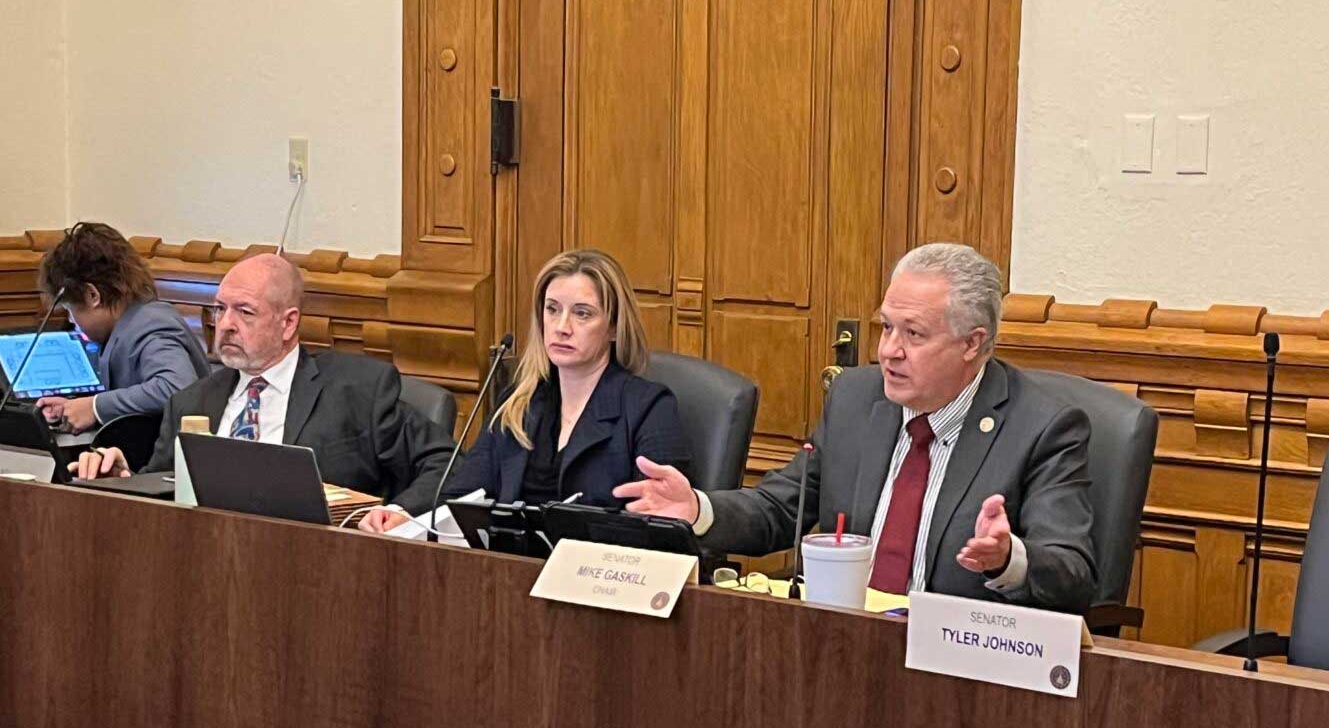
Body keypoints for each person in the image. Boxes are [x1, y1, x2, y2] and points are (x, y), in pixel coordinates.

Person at [618, 243, 1097, 613]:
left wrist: (1007, 558)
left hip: (957, 666)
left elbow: (1073, 571)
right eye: (886, 327)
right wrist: (697, 508)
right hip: (842, 643)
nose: (889, 350)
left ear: (972, 344)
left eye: (913, 334)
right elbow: (779, 509)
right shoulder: (855, 398)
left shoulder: (1043, 427)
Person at [73, 254, 456, 508]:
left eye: (245, 312)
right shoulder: (192, 401)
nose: (225, 325)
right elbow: (165, 486)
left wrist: (398, 515)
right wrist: (125, 479)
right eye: (221, 309)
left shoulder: (359, 390)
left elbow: (447, 464)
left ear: (288, 323)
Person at [358, 249, 691, 534]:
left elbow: (657, 526)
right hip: (510, 579)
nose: (562, 327)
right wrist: (405, 516)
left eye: (582, 313)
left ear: (614, 327)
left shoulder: (648, 407)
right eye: (552, 309)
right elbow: (460, 496)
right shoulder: (520, 402)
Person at [36, 222, 211, 432]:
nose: (72, 320)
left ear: (92, 295)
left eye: (70, 309)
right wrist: (75, 406)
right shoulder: (128, 324)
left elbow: (177, 387)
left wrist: (95, 407)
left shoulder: (152, 325)